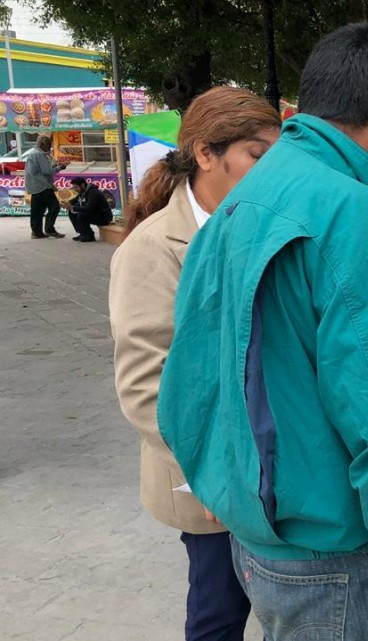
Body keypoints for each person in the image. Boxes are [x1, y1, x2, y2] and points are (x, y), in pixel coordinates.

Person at [156, 23, 368, 641]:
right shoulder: (361, 215)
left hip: (263, 537)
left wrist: (223, 481)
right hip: (344, 557)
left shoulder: (241, 201)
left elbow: (195, 370)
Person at [107, 87, 282, 641]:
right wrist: (217, 469)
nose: (269, 173)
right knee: (218, 613)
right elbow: (145, 386)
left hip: (273, 463)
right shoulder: (153, 248)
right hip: (205, 479)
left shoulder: (259, 225)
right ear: (206, 153)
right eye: (258, 155)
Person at [24, 134, 68, 239]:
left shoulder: (33, 154)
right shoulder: (39, 154)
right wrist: (60, 167)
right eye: (49, 144)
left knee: (37, 210)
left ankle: (36, 232)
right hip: (42, 186)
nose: (50, 147)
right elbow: (46, 171)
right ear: (42, 144)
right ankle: (49, 229)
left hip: (35, 187)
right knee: (54, 207)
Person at [63, 177, 112, 242]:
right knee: (72, 213)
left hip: (103, 217)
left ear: (82, 185)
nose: (74, 189)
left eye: (76, 187)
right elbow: (78, 203)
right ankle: (82, 233)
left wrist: (73, 207)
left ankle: (89, 235)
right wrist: (68, 204)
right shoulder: (83, 192)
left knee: (81, 215)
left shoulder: (93, 193)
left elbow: (89, 208)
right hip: (94, 214)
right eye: (73, 187)